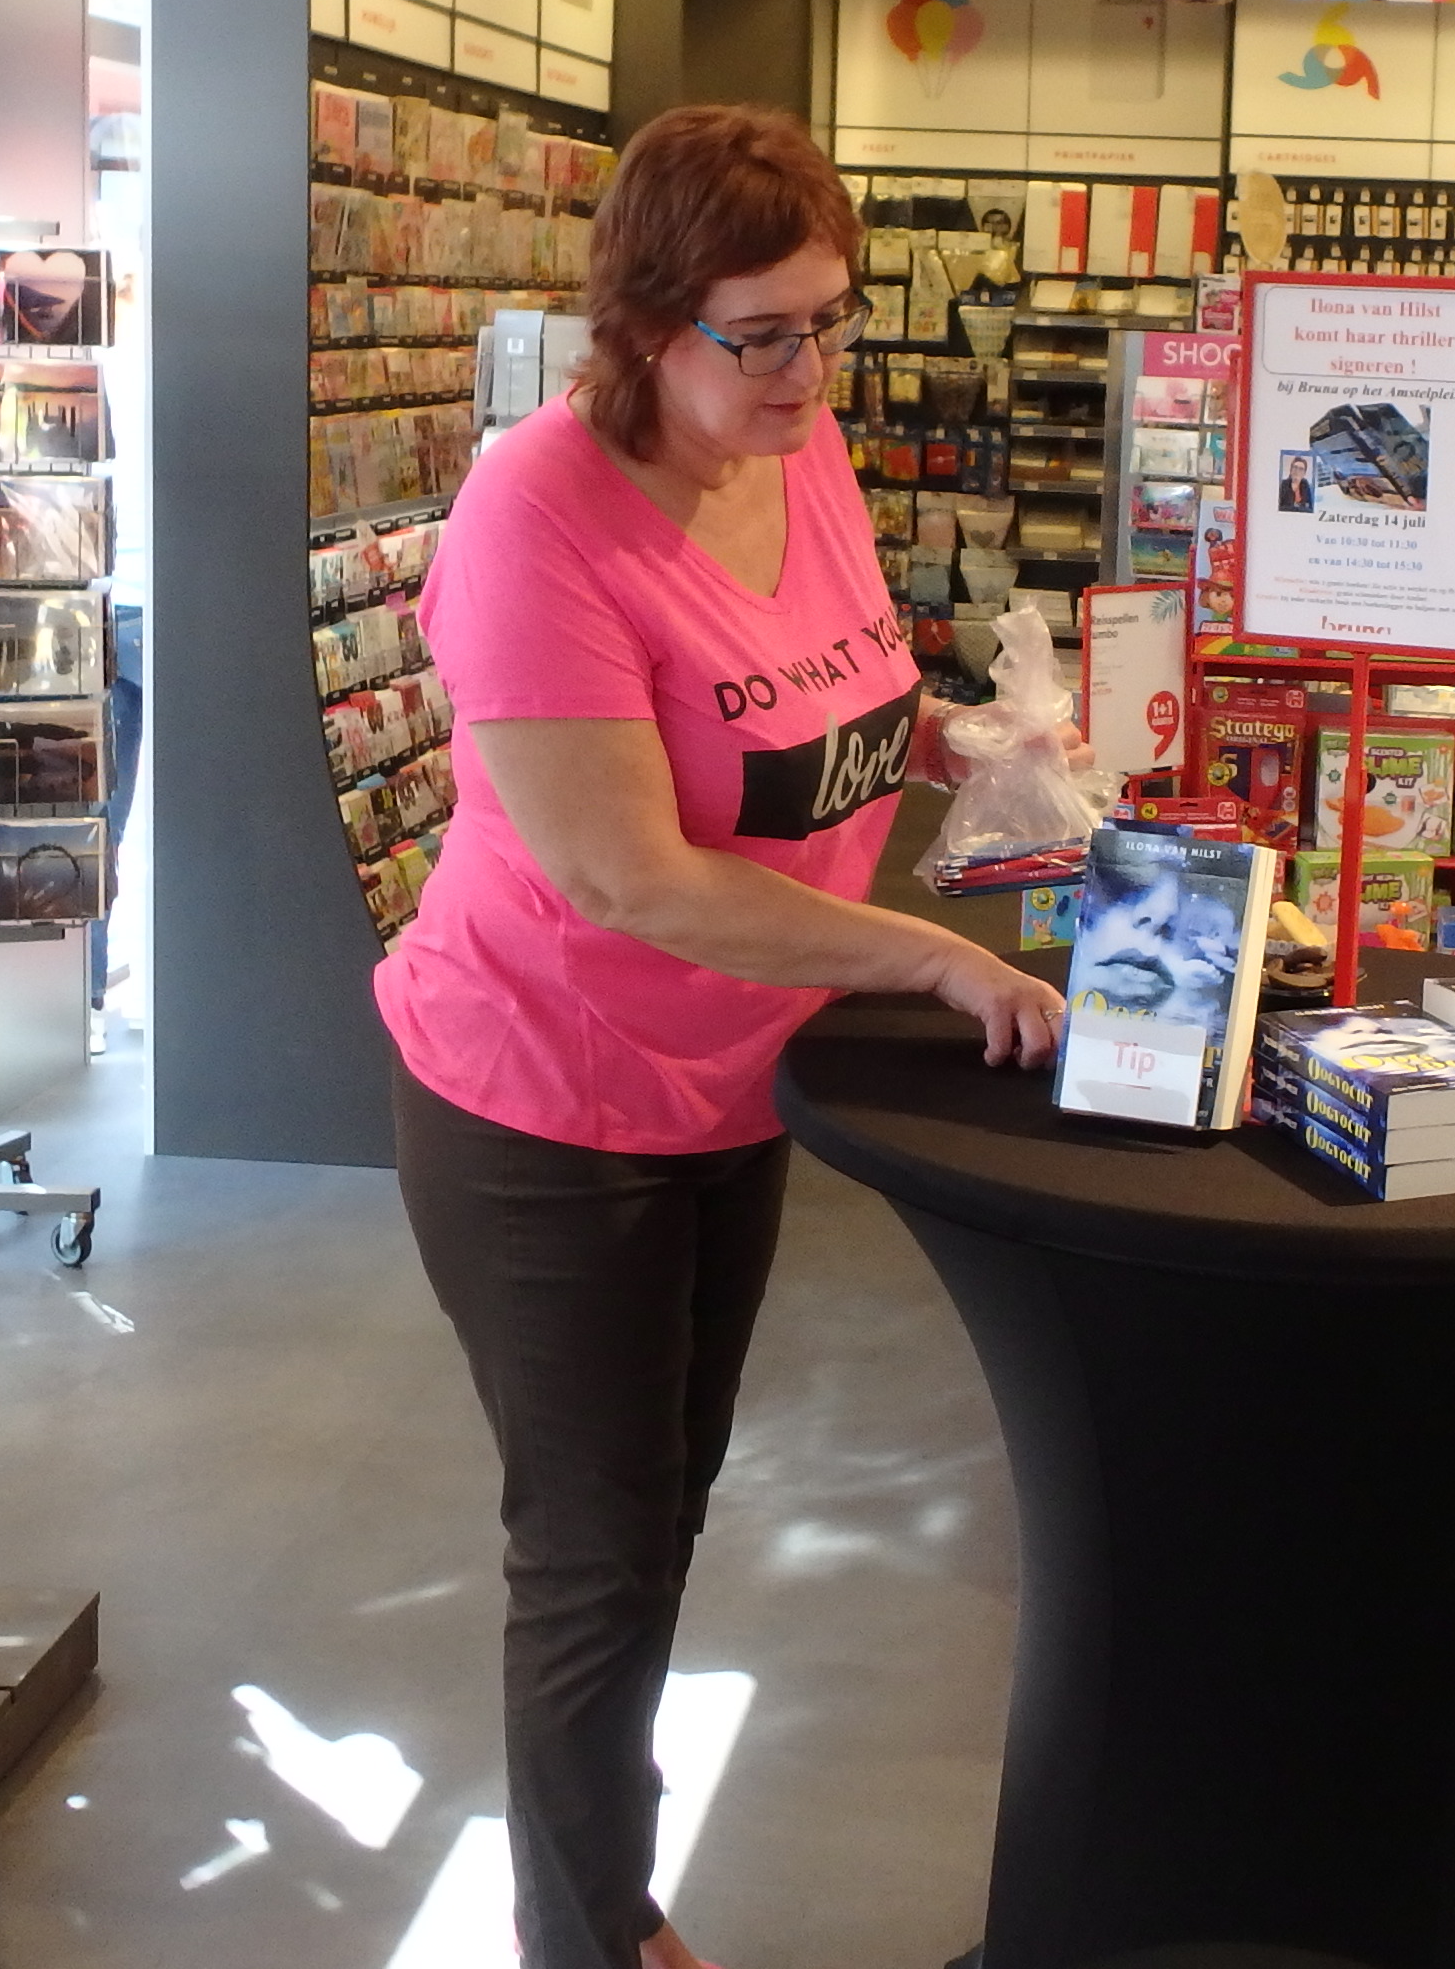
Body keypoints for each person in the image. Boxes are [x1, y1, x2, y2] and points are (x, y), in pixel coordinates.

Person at [378, 105, 1066, 1969]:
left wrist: (969, 749)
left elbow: (824, 704)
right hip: (544, 1094)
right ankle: (584, 1935)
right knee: (592, 1557)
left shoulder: (797, 443)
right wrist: (928, 961)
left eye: (830, 320)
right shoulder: (536, 516)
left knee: (662, 1512)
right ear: (640, 320)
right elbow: (629, 875)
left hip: (729, 1081)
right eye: (758, 334)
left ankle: (610, 1902)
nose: (806, 370)